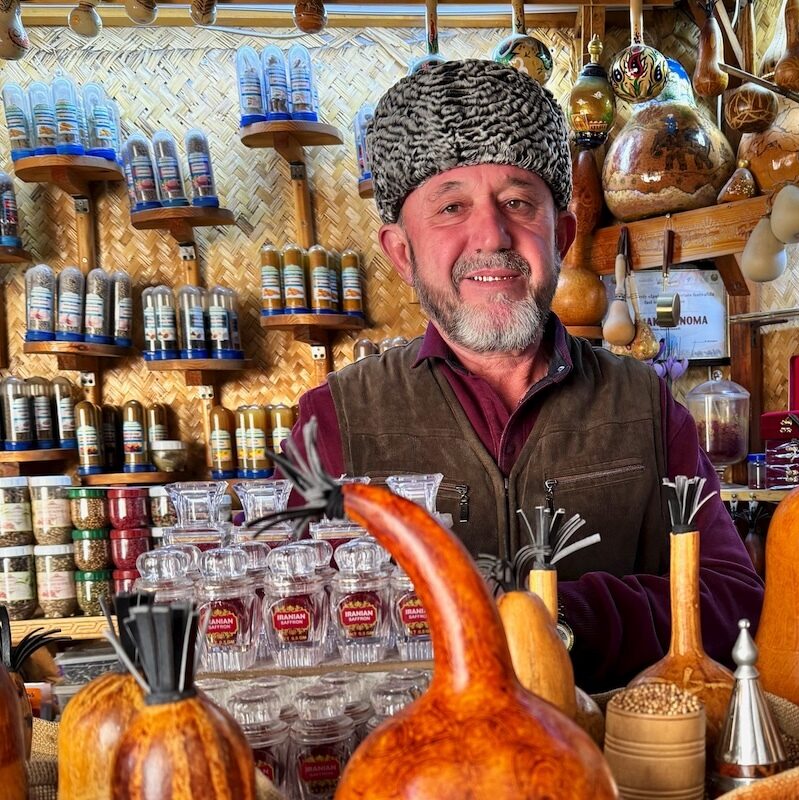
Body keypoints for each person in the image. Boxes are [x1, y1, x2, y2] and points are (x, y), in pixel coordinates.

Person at [288, 59, 763, 690]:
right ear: (402, 252)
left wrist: (561, 621)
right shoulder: (333, 421)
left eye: (517, 202)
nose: (491, 235)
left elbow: (736, 605)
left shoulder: (647, 408)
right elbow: (284, 624)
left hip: (614, 769)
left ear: (561, 236)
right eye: (451, 205)